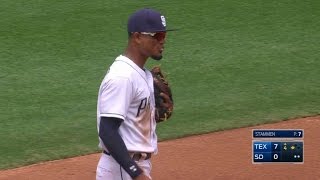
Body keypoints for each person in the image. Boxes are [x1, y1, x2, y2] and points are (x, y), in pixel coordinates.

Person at [96, 8, 173, 180]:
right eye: (158, 36)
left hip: (131, 167)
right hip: (123, 169)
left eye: (164, 36)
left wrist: (152, 115)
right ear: (137, 37)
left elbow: (131, 119)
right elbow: (107, 131)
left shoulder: (142, 74)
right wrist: (136, 173)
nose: (163, 41)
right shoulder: (122, 76)